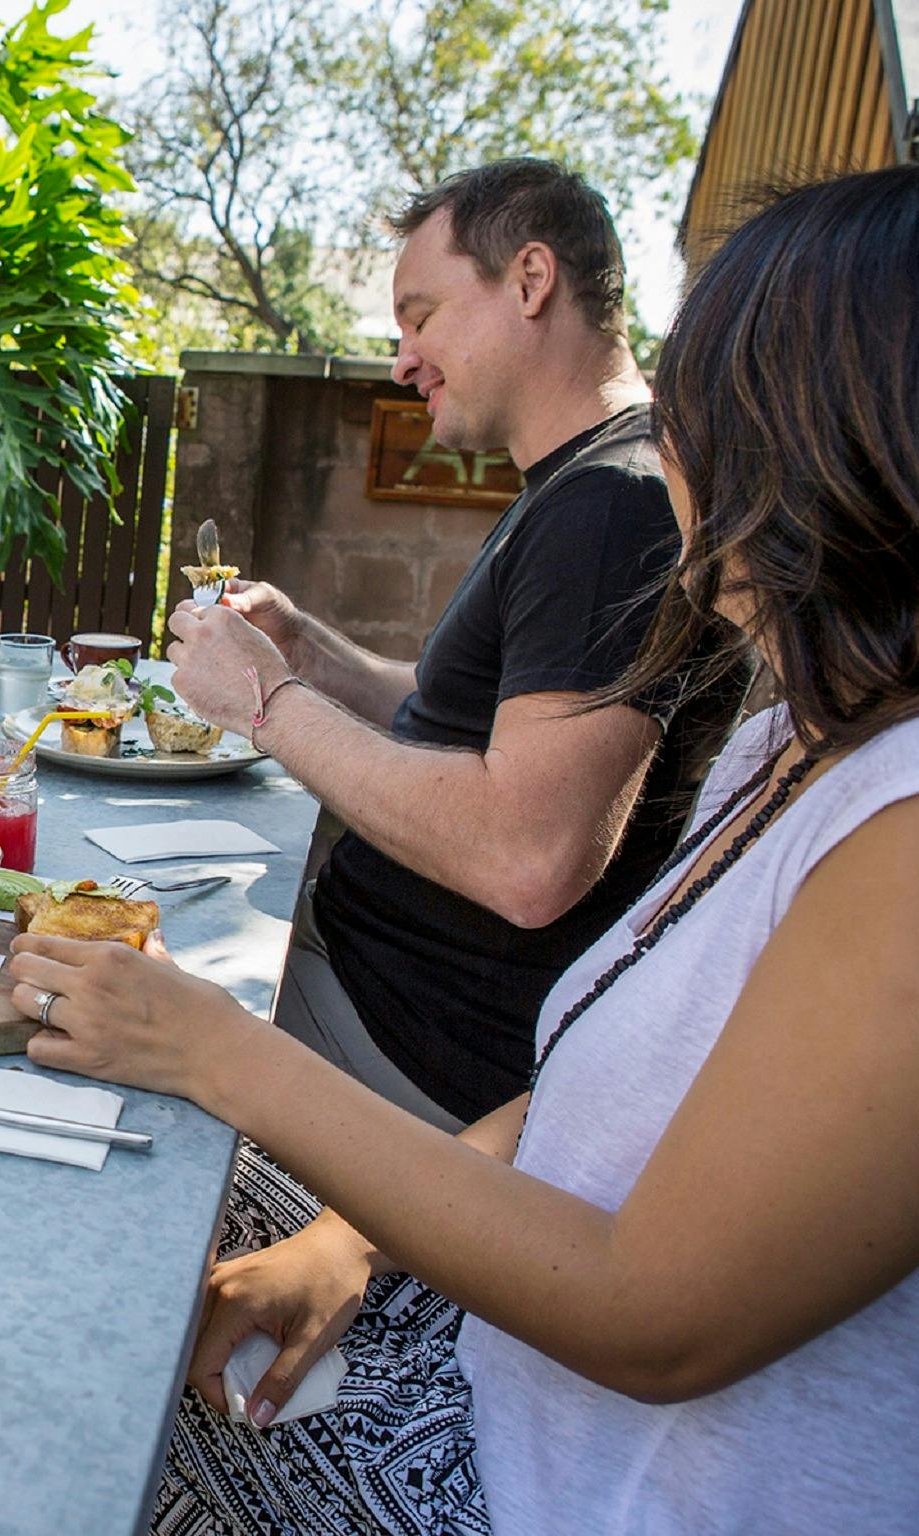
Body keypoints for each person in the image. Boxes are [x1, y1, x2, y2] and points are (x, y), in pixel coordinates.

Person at [11, 159, 919, 1534]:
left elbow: (653, 1315)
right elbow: (599, 1068)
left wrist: (214, 1047)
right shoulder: (812, 752)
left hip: (544, 1484)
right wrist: (346, 1238)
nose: (682, 439)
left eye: (718, 393)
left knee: (70, 1320)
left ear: (848, 436)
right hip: (501, 1363)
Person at [211, 160, 742, 1128]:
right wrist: (306, 651)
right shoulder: (581, 481)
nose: (403, 358)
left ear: (531, 281)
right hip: (364, 986)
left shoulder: (614, 508)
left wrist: (266, 704)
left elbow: (529, 857)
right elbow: (468, 724)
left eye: (421, 317)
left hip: (402, 1048)